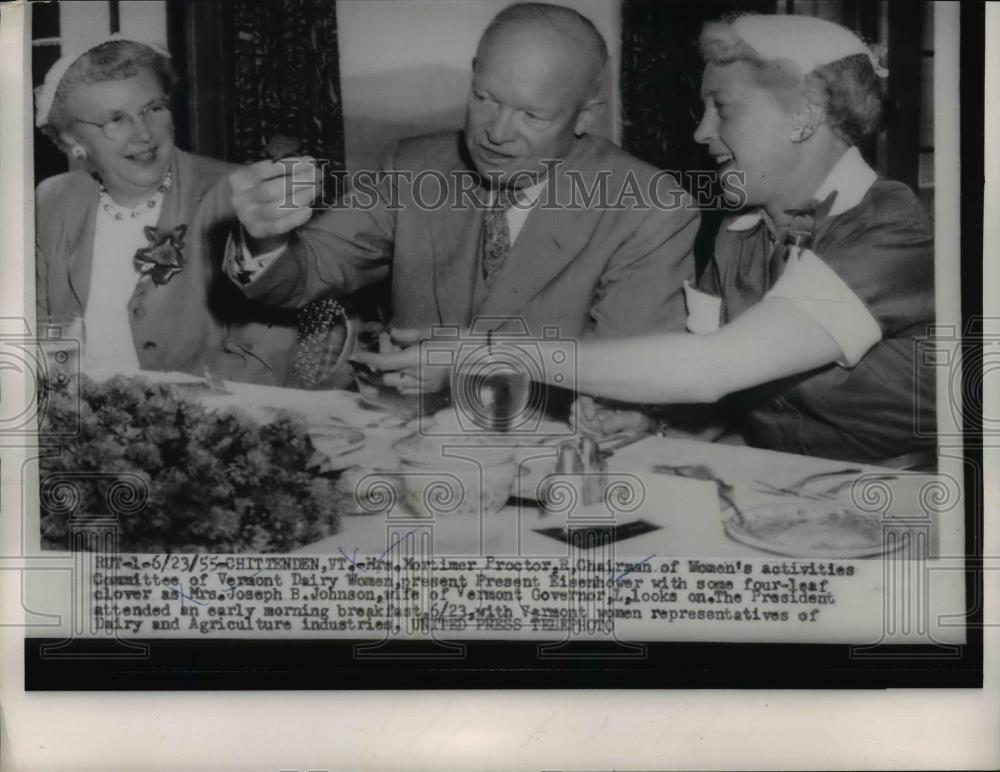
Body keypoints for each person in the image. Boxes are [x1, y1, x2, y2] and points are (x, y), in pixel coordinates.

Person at [362, 14, 937, 467]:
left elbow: (712, 369)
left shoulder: (892, 231)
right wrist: (652, 421)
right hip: (778, 483)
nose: (701, 132)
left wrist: (483, 352)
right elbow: (719, 398)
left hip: (899, 494)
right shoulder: (740, 237)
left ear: (803, 117)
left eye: (723, 110)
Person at [224, 2, 698, 400]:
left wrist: (470, 369)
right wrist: (265, 239)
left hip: (553, 458)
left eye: (532, 115)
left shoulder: (649, 207)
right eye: (484, 97)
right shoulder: (413, 167)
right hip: (410, 450)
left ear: (586, 116)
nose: (496, 132)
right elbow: (308, 272)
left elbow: (632, 379)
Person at [35, 35, 295, 383]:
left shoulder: (236, 194)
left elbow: (266, 353)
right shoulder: (54, 199)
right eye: (115, 120)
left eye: (153, 108)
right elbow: (30, 324)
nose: (144, 134)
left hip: (203, 420)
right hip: (79, 417)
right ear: (72, 140)